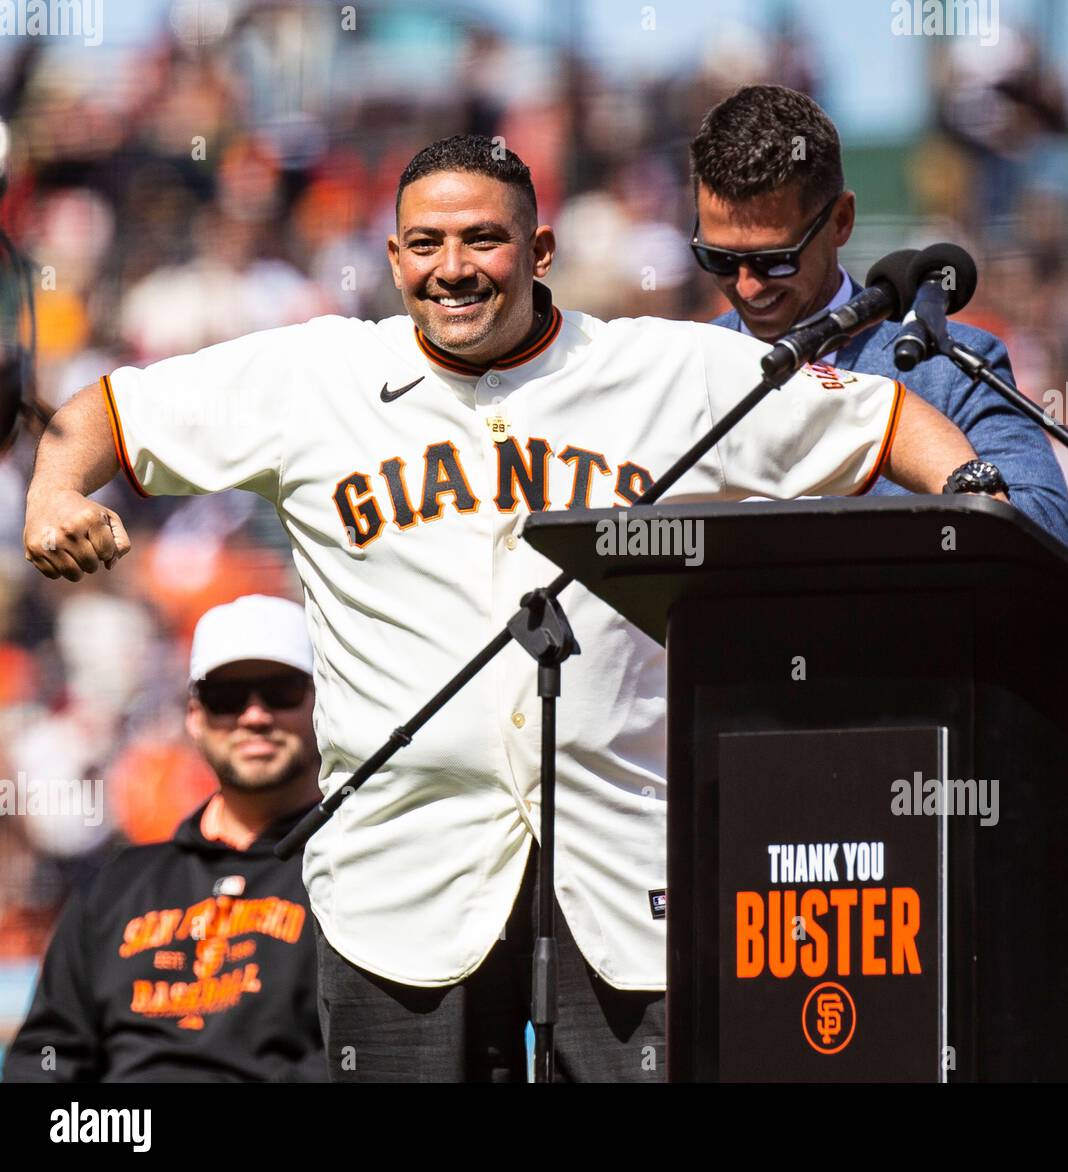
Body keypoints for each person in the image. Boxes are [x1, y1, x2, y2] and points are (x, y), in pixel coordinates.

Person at [22, 135, 996, 1083]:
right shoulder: (313, 378)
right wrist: (56, 493)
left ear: (537, 252)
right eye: (428, 244)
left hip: (627, 872)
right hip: (401, 878)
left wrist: (972, 489)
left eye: (483, 240)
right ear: (395, 256)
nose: (454, 268)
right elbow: (104, 410)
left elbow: (875, 418)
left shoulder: (662, 370)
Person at [689, 84, 1068, 549]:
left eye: (776, 260)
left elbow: (1050, 534)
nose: (748, 285)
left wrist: (956, 484)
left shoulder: (951, 368)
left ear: (841, 221)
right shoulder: (684, 366)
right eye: (720, 260)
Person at [3, 594, 327, 1082]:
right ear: (194, 716)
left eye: (280, 691)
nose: (254, 716)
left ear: (322, 705)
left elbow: (366, 1056)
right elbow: (47, 1054)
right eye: (226, 697)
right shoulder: (120, 885)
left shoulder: (351, 874)